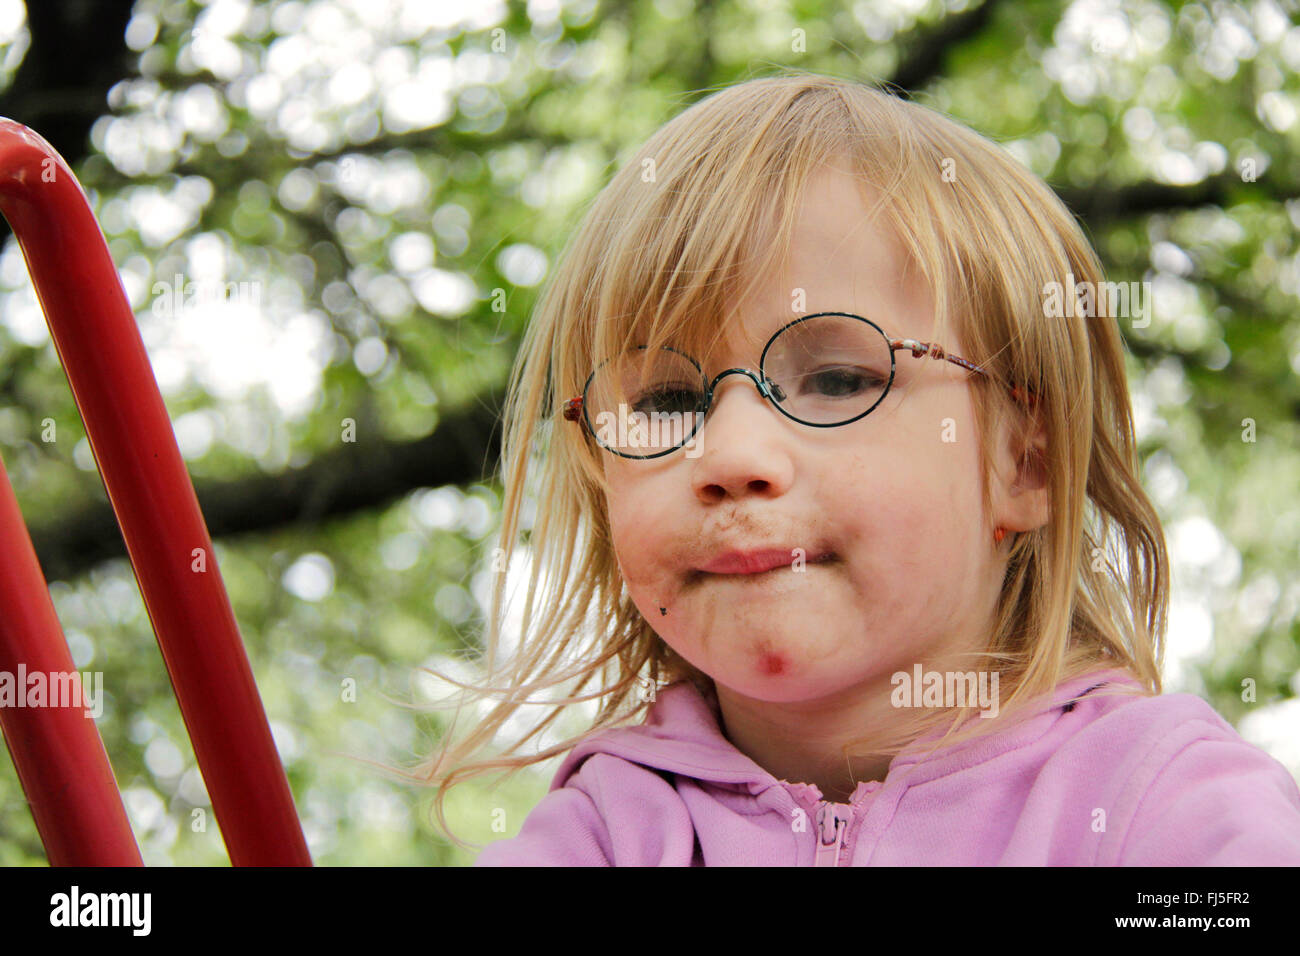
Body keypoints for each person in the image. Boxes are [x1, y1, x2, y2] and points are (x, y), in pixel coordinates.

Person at [405, 71, 1300, 865]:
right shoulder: (606, 832)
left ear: (1025, 462)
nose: (730, 456)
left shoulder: (1165, 807)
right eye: (667, 404)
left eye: (837, 379)